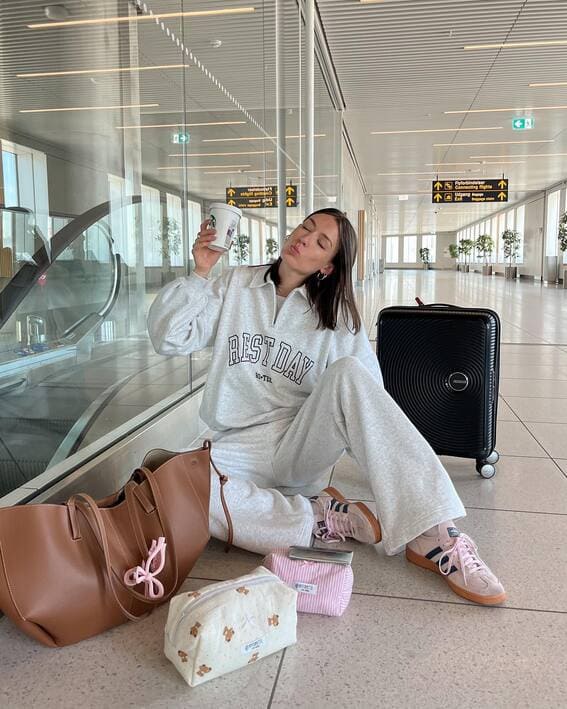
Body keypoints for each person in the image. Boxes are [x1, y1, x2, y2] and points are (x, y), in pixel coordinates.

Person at [148, 208, 506, 606]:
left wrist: (384, 471)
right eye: (306, 227)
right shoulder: (236, 284)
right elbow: (169, 338)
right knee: (173, 486)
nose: (304, 238)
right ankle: (317, 518)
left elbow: (367, 405)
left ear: (327, 267)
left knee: (350, 373)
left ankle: (433, 531)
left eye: (320, 242)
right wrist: (200, 273)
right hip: (235, 445)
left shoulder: (337, 320)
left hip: (299, 444)